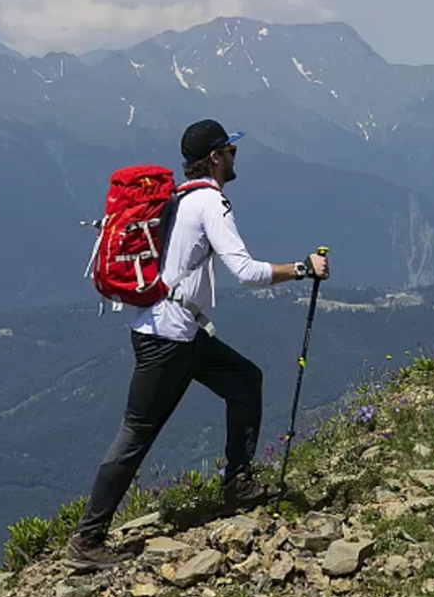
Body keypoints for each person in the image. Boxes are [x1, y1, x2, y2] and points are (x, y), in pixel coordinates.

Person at [65, 119, 329, 570]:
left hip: (174, 329)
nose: (235, 157)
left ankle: (237, 484)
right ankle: (88, 540)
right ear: (214, 159)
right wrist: (303, 269)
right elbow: (246, 273)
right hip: (169, 338)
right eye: (230, 150)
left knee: (245, 380)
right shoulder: (209, 202)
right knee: (136, 434)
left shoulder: (179, 198)